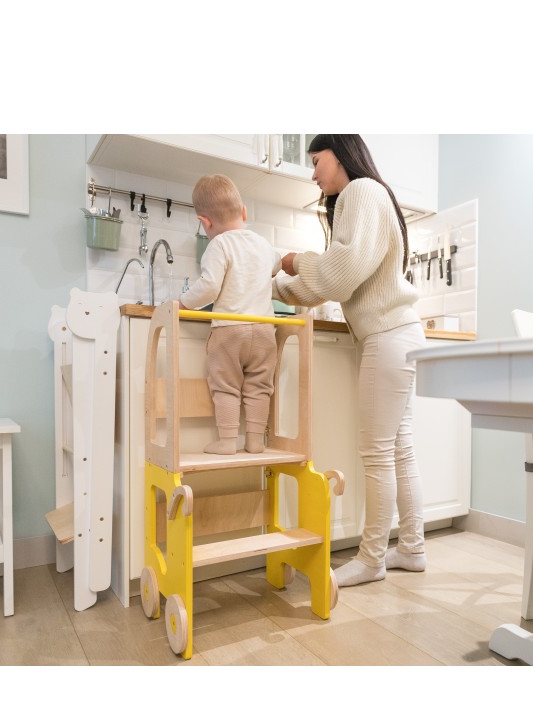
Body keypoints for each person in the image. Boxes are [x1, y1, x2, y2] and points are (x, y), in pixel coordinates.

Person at [273, 134, 426, 587]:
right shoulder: (369, 196)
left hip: (387, 336)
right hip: (399, 334)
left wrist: (291, 260)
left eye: (317, 160)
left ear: (340, 154)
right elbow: (336, 280)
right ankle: (412, 548)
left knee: (379, 454)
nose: (313, 172)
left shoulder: (361, 191)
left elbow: (336, 277)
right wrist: (277, 287)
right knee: (399, 450)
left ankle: (372, 557)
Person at [180, 174, 282, 455]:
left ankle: (227, 441)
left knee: (225, 386)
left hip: (229, 331)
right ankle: (254, 441)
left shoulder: (219, 245)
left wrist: (183, 303)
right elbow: (275, 267)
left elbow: (209, 287)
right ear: (244, 212)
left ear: (205, 222)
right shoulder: (263, 244)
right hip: (264, 330)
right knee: (260, 386)